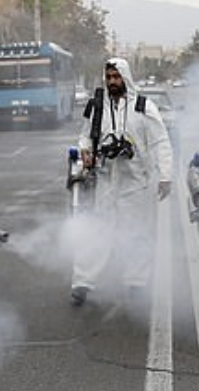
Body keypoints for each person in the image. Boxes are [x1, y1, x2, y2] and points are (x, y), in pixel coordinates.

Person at [69, 57, 174, 309]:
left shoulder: (143, 107)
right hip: (106, 181)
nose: (112, 82)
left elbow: (161, 142)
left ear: (125, 78)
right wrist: (85, 150)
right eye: (109, 77)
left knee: (137, 233)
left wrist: (165, 175)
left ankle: (136, 281)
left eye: (116, 77)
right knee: (98, 231)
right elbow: (84, 136)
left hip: (136, 182)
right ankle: (83, 282)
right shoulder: (97, 107)